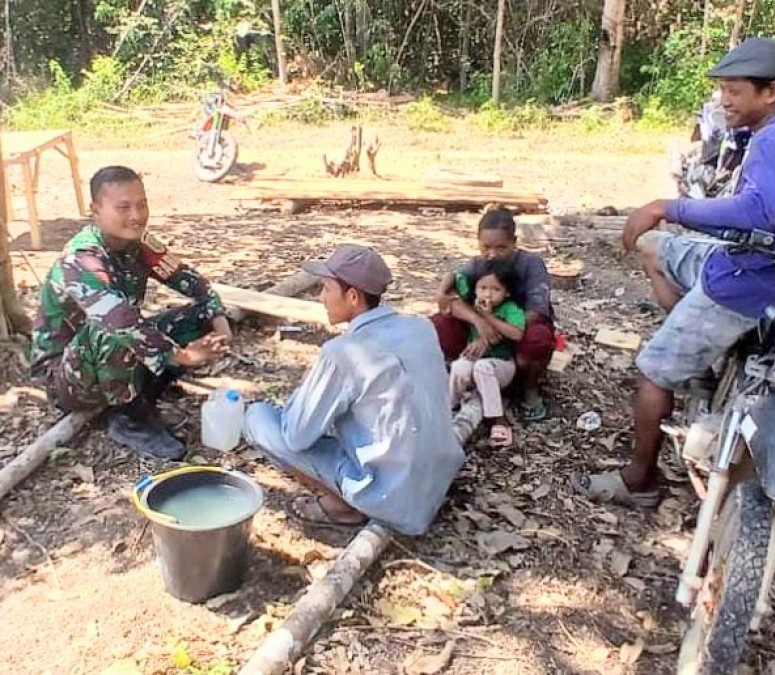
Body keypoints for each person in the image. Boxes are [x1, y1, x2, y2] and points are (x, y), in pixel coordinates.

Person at [572, 37, 775, 507]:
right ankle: (700, 363)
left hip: (750, 280)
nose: (724, 101)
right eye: (722, 90)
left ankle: (638, 480)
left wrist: (668, 206)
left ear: (771, 92)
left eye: (735, 91)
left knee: (651, 373)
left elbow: (757, 211)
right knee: (655, 249)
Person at [243, 244, 465, 535]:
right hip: (438, 477)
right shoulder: (420, 326)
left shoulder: (343, 352)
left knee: (257, 417)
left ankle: (344, 506)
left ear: (352, 297)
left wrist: (307, 390)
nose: (321, 298)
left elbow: (296, 436)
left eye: (326, 289)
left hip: (391, 498)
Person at [30, 166, 231, 460]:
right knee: (112, 326)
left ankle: (145, 388)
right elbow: (118, 320)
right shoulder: (81, 258)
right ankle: (128, 417)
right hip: (66, 376)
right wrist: (182, 355)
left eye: (142, 204)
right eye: (123, 207)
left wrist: (218, 318)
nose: (136, 215)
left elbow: (191, 281)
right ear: (95, 211)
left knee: (200, 315)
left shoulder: (141, 244)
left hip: (111, 351)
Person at [432, 208, 556, 422]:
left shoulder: (531, 265)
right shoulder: (477, 265)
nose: (492, 254)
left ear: (514, 242)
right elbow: (451, 298)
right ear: (478, 243)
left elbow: (535, 311)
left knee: (538, 337)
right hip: (482, 328)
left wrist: (490, 335)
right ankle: (459, 378)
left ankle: (528, 388)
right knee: (439, 323)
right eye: (486, 247)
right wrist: (478, 321)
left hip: (517, 329)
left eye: (501, 248)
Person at [448, 258, 525, 448]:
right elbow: (452, 279)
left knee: (483, 367)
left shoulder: (510, 309)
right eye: (482, 288)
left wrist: (488, 317)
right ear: (475, 289)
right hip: (476, 359)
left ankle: (497, 420)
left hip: (502, 365)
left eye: (495, 289)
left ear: (507, 292)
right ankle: (451, 406)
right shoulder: (473, 305)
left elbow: (516, 333)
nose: (488, 294)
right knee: (459, 366)